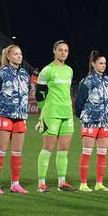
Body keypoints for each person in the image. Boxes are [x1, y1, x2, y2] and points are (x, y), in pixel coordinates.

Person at [0, 45, 30, 195]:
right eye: (16, 54)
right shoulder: (1, 73)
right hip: (3, 115)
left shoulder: (25, 74)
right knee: (0, 151)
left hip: (20, 117)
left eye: (21, 53)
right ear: (9, 56)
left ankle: (15, 184)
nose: (19, 56)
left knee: (17, 152)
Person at [35, 40, 76, 193]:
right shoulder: (47, 70)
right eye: (60, 50)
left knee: (64, 150)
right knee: (47, 149)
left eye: (66, 50)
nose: (63, 52)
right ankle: (41, 184)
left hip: (67, 113)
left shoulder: (69, 70)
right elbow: (39, 93)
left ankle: (61, 183)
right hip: (51, 113)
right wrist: (41, 113)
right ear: (54, 51)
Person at [74, 51, 108, 192]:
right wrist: (86, 117)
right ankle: (83, 184)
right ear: (93, 64)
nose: (103, 66)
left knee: (102, 153)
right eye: (101, 63)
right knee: (87, 153)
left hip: (105, 123)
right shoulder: (87, 81)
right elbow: (78, 104)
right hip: (90, 122)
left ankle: (99, 183)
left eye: (105, 64)